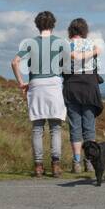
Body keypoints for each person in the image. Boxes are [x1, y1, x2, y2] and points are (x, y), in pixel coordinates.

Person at [11, 11, 68, 177]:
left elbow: (15, 62)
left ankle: (38, 166)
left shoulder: (30, 43)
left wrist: (21, 82)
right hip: (54, 84)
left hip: (36, 84)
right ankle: (56, 166)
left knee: (37, 128)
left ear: (37, 25)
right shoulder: (60, 42)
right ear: (53, 24)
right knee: (55, 128)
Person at [62, 17, 104, 175]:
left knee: (75, 126)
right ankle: (90, 161)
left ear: (70, 31)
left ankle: (76, 162)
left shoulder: (64, 45)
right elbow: (98, 59)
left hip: (71, 86)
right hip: (89, 86)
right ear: (84, 30)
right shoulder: (91, 44)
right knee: (89, 126)